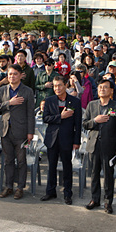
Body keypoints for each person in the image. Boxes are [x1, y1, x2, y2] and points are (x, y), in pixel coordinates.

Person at [0, 64, 35, 200]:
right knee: (8, 161)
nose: (12, 76)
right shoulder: (3, 90)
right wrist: (9, 103)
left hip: (21, 132)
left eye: (15, 74)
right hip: (5, 131)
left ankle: (20, 187)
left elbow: (30, 113)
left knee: (21, 161)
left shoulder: (27, 91)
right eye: (10, 74)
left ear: (21, 75)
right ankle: (8, 186)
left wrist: (30, 132)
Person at [83, 79, 116, 214]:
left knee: (108, 175)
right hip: (94, 145)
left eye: (105, 87)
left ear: (111, 91)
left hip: (109, 146)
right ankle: (94, 199)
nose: (102, 89)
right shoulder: (91, 105)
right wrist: (95, 121)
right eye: (100, 87)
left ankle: (108, 201)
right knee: (94, 174)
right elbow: (84, 124)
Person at [40, 76, 82, 205]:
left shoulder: (74, 102)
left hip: (67, 138)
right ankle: (50, 191)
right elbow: (45, 118)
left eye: (59, 85)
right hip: (52, 138)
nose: (57, 88)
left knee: (67, 166)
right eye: (54, 86)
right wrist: (60, 117)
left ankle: (68, 193)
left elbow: (78, 123)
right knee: (51, 166)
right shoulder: (49, 100)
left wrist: (77, 141)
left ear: (65, 86)